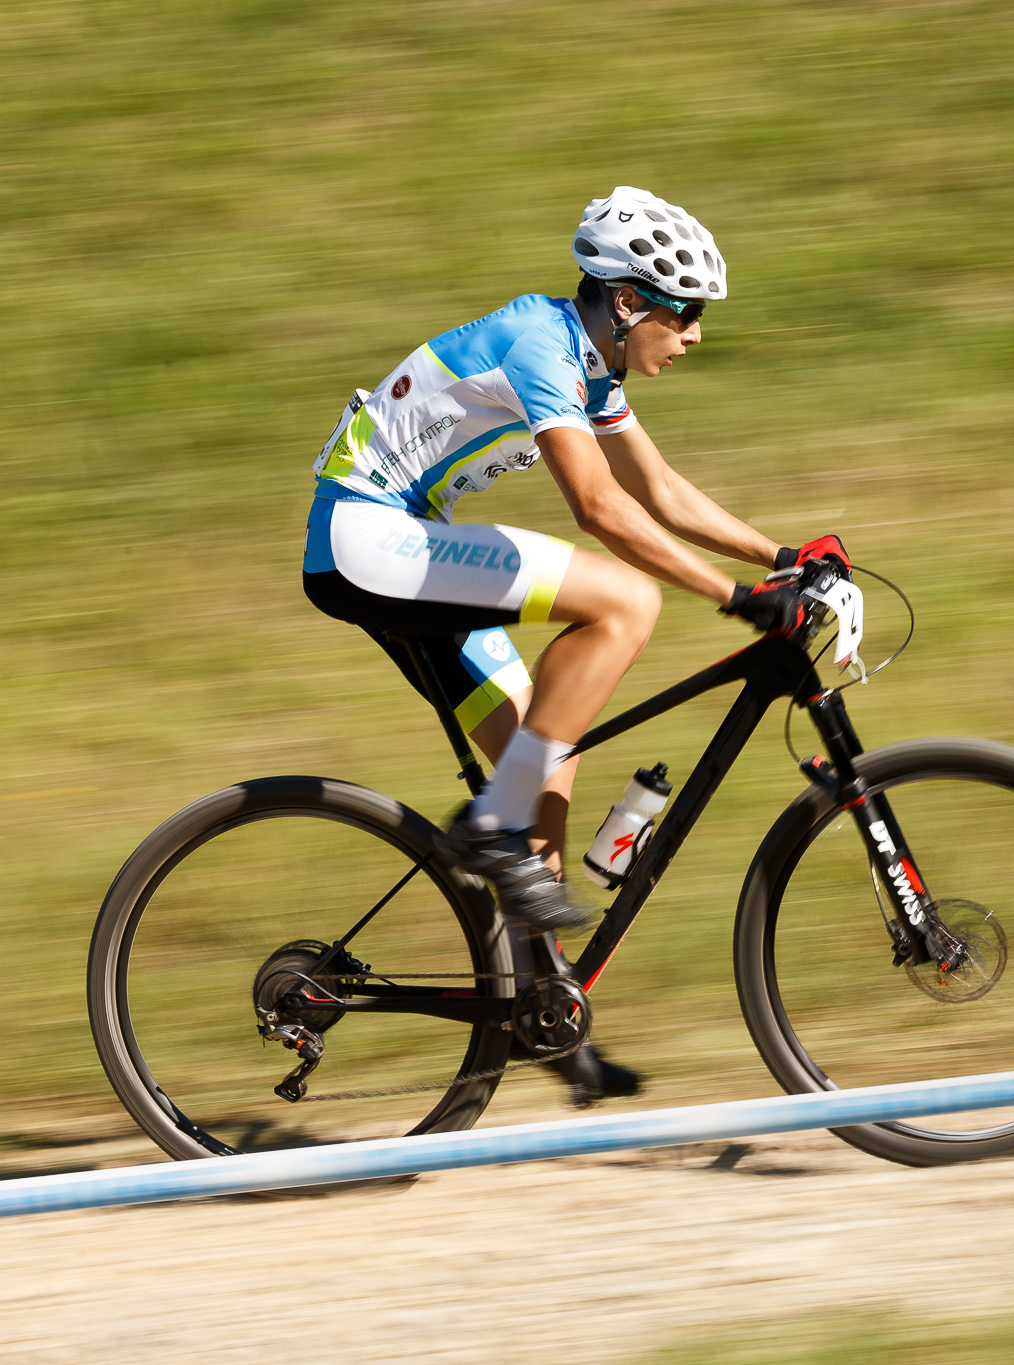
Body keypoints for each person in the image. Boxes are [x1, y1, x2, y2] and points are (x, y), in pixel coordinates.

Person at [300, 185, 850, 1102]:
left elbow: (659, 488)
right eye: (685, 315)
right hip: (367, 536)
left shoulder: (592, 365)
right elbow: (598, 508)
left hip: (396, 536)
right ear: (628, 302)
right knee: (626, 602)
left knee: (542, 771)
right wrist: (735, 597)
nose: (696, 335)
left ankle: (544, 1016)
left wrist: (781, 554)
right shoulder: (541, 346)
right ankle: (484, 832)